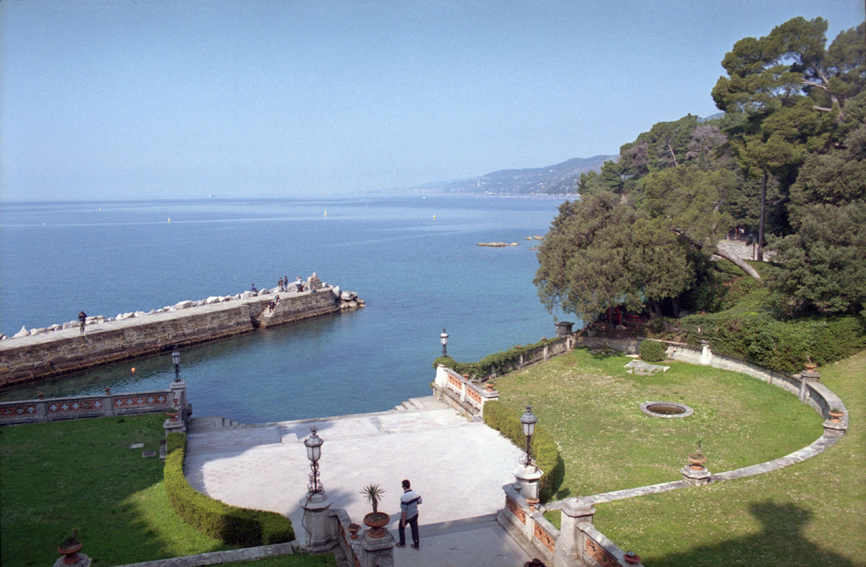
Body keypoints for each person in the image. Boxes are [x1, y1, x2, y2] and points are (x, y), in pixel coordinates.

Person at [396, 479, 422, 549]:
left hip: (407, 517)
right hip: (415, 514)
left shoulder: (404, 497)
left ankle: (402, 543)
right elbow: (420, 501)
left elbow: (404, 511)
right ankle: (416, 545)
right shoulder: (416, 493)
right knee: (415, 530)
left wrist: (403, 520)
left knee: (401, 528)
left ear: (404, 487)